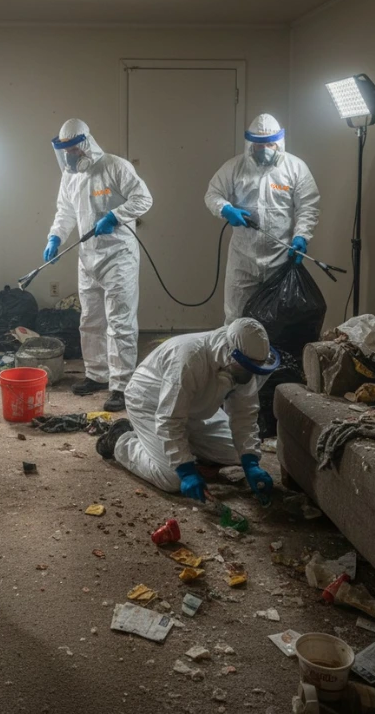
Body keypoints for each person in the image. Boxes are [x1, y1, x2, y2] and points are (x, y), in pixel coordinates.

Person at [96, 318, 278, 500]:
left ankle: (179, 445)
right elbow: (170, 419)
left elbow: (244, 414)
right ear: (230, 353)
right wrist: (185, 470)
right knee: (171, 478)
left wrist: (251, 462)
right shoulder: (189, 358)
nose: (250, 374)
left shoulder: (240, 364)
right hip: (150, 404)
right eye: (247, 367)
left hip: (195, 408)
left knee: (237, 454)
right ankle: (121, 440)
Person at [43, 118, 153, 413]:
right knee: (90, 319)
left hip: (118, 256)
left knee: (119, 321)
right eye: (64, 150)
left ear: (85, 144)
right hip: (87, 256)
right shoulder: (70, 176)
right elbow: (65, 211)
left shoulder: (115, 167)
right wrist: (55, 236)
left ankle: (121, 385)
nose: (69, 155)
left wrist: (115, 216)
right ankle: (97, 374)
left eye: (73, 149)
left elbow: (144, 198)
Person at [204, 113, 320, 324]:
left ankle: (274, 358)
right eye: (259, 145)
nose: (265, 149)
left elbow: (308, 205)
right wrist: (226, 209)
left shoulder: (295, 168)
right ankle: (236, 357)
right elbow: (213, 194)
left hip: (280, 259)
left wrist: (302, 236)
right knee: (236, 318)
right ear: (251, 144)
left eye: (270, 144)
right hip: (243, 259)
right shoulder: (234, 167)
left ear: (278, 143)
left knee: (279, 320)